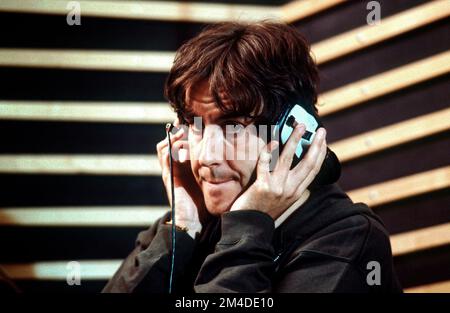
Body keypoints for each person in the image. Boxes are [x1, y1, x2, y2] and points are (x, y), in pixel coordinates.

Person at [103, 21, 402, 293]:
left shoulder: (346, 239)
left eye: (233, 127)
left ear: (291, 132)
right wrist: (179, 232)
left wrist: (246, 229)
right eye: (195, 126)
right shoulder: (185, 225)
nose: (206, 156)